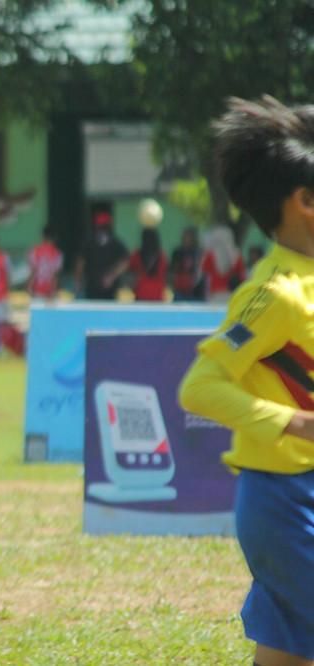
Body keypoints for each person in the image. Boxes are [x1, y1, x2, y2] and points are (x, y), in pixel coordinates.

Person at [179, 95, 314, 666]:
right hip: (286, 501)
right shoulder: (273, 295)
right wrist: (293, 421)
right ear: (305, 201)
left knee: (284, 651)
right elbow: (200, 387)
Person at [73, 210, 129, 300]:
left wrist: (78, 282)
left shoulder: (89, 242)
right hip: (109, 289)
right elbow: (125, 262)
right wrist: (111, 276)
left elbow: (80, 263)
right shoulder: (115, 243)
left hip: (92, 289)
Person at [200, 224, 245, 303]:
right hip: (231, 293)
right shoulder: (236, 254)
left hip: (215, 292)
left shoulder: (212, 254)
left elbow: (203, 269)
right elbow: (241, 275)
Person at [128, 226, 168, 301]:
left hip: (141, 293)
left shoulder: (137, 255)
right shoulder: (162, 256)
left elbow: (131, 270)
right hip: (157, 294)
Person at [26, 224, 63, 304]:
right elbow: (56, 275)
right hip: (50, 290)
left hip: (37, 289)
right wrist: (54, 292)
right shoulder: (57, 253)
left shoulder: (35, 250)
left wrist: (29, 289)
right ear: (55, 237)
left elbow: (33, 272)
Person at [169, 226, 204, 301]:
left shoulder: (197, 253)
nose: (186, 240)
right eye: (185, 237)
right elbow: (173, 270)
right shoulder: (177, 253)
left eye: (189, 237)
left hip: (195, 291)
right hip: (179, 290)